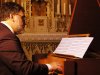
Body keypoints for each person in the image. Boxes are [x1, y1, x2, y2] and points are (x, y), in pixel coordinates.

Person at [0, 2, 62, 75]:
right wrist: (50, 66)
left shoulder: (3, 31)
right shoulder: (6, 36)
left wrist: (43, 69)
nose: (25, 22)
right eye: (22, 17)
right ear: (12, 16)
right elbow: (24, 69)